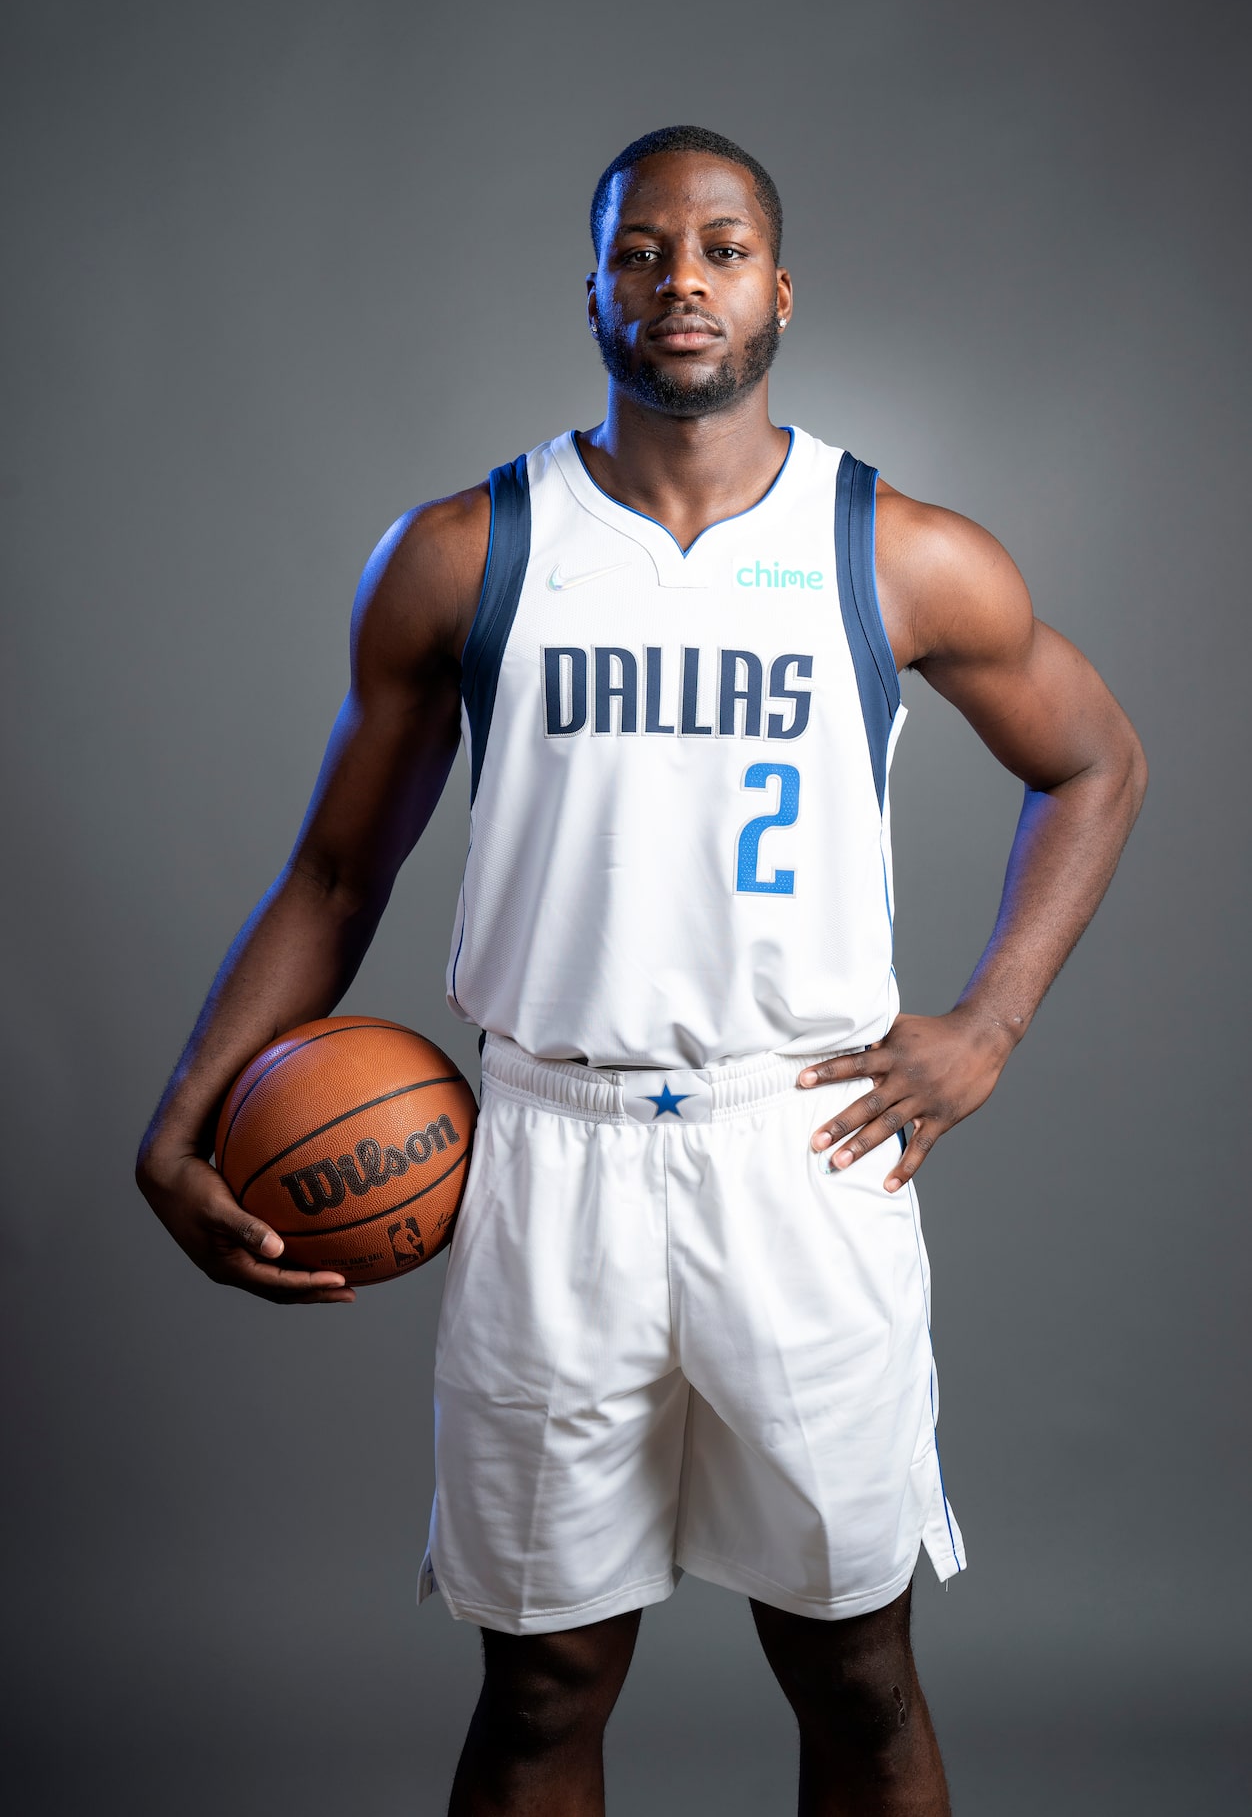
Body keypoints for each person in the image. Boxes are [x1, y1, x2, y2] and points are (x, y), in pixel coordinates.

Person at [137, 124, 1147, 1815]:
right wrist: (181, 1117)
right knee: (541, 1689)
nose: (681, 279)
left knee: (857, 1671)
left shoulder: (892, 549)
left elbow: (1097, 759)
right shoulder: (469, 551)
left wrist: (990, 1025)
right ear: (595, 288)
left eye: (721, 247)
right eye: (640, 251)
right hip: (550, 1152)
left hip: (798, 1146)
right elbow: (336, 868)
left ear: (780, 288)